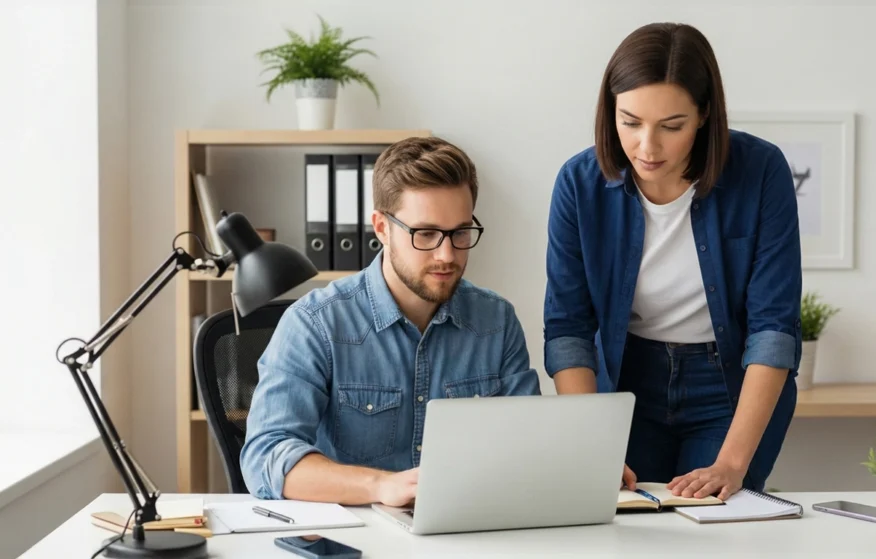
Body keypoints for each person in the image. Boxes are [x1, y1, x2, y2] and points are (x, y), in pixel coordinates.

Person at [543, 22, 801, 501]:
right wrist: (592, 445)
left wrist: (731, 463)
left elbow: (773, 329)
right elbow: (568, 330)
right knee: (626, 525)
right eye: (630, 122)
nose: (647, 147)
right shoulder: (578, 184)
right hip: (626, 384)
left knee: (710, 522)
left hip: (729, 387)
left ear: (704, 114)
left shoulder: (761, 171)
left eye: (672, 126)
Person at [241, 136, 541, 506]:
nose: (447, 255)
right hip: (353, 532)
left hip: (465, 526)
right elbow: (266, 456)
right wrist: (381, 486)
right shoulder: (315, 323)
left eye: (460, 232)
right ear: (382, 228)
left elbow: (529, 447)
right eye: (426, 233)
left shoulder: (497, 322)